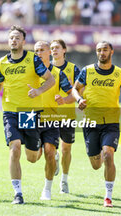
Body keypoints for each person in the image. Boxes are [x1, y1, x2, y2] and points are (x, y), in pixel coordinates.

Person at [0, 25, 55, 204]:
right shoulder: (2, 62)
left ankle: (47, 152)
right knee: (14, 147)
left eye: (17, 38)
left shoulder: (33, 59)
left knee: (32, 158)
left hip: (30, 112)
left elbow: (51, 79)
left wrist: (39, 91)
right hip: (10, 111)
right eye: (11, 38)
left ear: (23, 42)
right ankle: (18, 193)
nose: (14, 40)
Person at [72, 41, 121, 207]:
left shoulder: (120, 74)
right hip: (90, 122)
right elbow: (74, 89)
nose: (101, 53)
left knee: (108, 154)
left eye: (105, 50)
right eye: (99, 50)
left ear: (111, 52)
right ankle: (100, 150)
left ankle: (108, 196)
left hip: (111, 122)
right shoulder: (87, 71)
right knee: (95, 165)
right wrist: (79, 99)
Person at [34, 41, 73, 200]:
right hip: (30, 117)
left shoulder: (58, 73)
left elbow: (72, 93)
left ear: (49, 52)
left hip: (51, 117)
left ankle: (47, 189)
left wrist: (64, 99)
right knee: (34, 156)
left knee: (49, 152)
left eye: (41, 50)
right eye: (35, 50)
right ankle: (54, 158)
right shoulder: (29, 72)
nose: (38, 53)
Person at [50, 39, 80, 194]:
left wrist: (64, 101)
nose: (54, 50)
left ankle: (64, 180)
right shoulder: (45, 69)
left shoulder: (73, 69)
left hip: (68, 114)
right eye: (52, 48)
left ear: (64, 50)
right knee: (49, 148)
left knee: (66, 149)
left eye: (57, 48)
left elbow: (77, 93)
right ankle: (54, 157)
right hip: (48, 114)